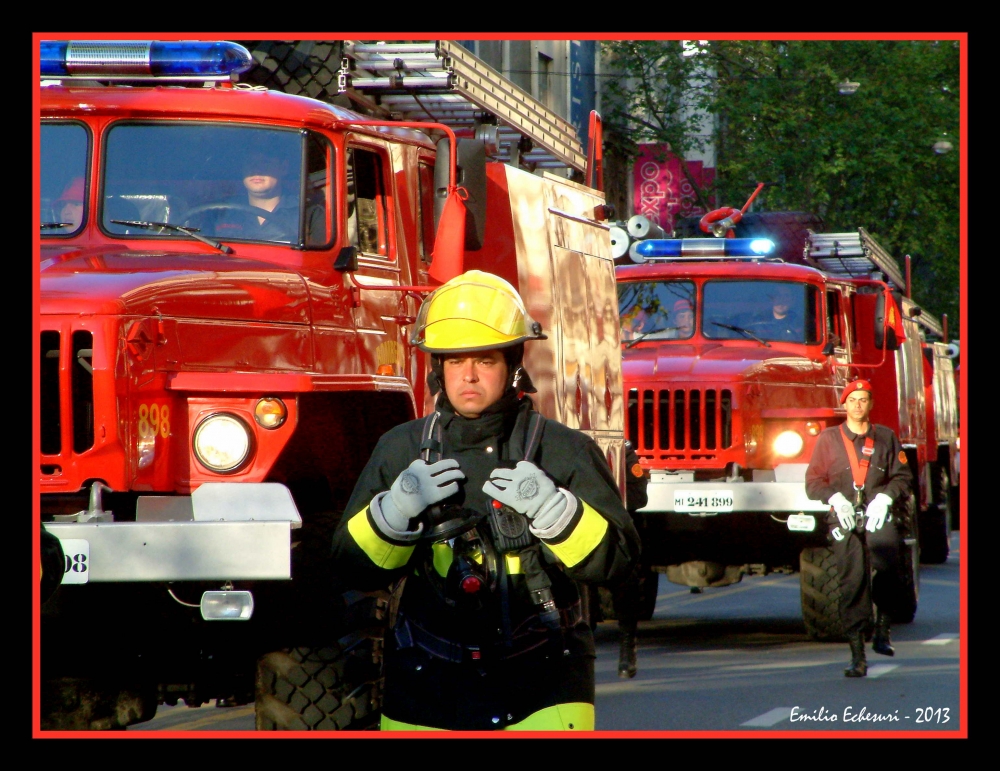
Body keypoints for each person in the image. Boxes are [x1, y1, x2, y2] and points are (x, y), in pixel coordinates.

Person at [330, 270, 640, 731]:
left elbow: (623, 563)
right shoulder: (401, 449)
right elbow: (346, 569)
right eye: (455, 361)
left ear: (514, 366)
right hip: (424, 684)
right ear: (438, 369)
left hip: (546, 683)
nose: (468, 375)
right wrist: (393, 513)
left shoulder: (562, 450)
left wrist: (557, 511)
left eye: (485, 360)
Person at [805, 379, 914, 677]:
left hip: (877, 515)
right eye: (852, 399)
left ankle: (882, 629)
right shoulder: (828, 439)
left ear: (871, 404)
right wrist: (836, 500)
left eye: (863, 399)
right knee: (852, 582)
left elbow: (902, 477)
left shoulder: (886, 437)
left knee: (889, 568)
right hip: (844, 518)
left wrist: (884, 499)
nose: (857, 405)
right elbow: (813, 483)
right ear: (845, 404)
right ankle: (857, 655)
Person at [611, 439, 650, 678]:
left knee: (626, 577)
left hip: (612, 528)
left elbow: (638, 497)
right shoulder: (565, 444)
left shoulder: (621, 448)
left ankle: (627, 649)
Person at [211, 151, 311, 242]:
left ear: (283, 168)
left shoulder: (307, 213)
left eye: (265, 162)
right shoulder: (221, 212)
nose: (256, 170)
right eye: (250, 163)